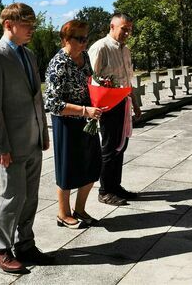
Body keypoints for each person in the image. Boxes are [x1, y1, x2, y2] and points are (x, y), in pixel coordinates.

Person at [0, 2, 51, 272]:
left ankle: (25, 244)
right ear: (9, 25)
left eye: (33, 24)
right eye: (27, 25)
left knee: (30, 197)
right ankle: (0, 248)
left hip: (32, 139)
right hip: (11, 144)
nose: (32, 29)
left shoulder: (28, 55)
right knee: (13, 197)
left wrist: (43, 131)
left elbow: (36, 96)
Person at [44, 20, 103, 228]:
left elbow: (88, 82)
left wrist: (101, 88)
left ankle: (80, 209)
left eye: (86, 38)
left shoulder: (84, 57)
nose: (84, 42)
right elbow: (52, 103)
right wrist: (84, 110)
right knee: (67, 169)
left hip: (87, 120)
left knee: (92, 165)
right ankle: (63, 213)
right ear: (66, 39)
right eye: (80, 39)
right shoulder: (58, 63)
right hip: (67, 123)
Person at [88, 13, 141, 206]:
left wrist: (135, 103)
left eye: (129, 30)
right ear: (112, 26)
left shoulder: (125, 50)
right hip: (107, 105)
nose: (127, 33)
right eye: (124, 29)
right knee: (110, 148)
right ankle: (105, 190)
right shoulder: (100, 47)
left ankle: (116, 186)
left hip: (123, 102)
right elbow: (92, 78)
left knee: (121, 145)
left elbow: (128, 79)